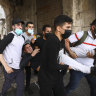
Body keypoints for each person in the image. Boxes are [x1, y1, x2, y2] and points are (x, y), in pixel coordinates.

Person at [38, 15, 73, 96]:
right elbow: (52, 65)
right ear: (58, 28)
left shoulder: (62, 40)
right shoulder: (52, 41)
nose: (70, 30)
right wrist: (66, 66)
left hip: (57, 76)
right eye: (67, 27)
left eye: (70, 28)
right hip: (46, 79)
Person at [65, 18, 96, 96]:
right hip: (77, 67)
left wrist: (93, 56)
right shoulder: (82, 34)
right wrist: (70, 52)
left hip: (90, 68)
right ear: (93, 27)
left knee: (95, 86)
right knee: (72, 86)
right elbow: (66, 41)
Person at [0, 18, 25, 96]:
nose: (20, 27)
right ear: (13, 27)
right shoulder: (10, 36)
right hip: (10, 67)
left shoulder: (22, 37)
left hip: (19, 67)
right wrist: (6, 67)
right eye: (18, 25)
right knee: (8, 84)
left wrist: (21, 56)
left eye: (21, 25)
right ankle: (2, 93)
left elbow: (19, 49)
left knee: (21, 86)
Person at [22, 21, 36, 94]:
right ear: (26, 28)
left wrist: (34, 42)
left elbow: (33, 45)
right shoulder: (22, 35)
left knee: (28, 72)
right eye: (30, 27)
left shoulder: (32, 36)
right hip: (21, 56)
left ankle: (27, 87)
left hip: (28, 56)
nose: (31, 28)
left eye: (32, 27)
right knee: (19, 73)